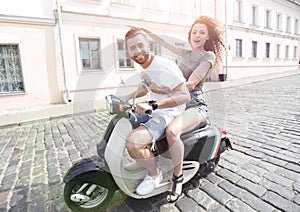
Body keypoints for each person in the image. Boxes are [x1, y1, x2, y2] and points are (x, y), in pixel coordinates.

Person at [138, 16, 225, 203]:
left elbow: (192, 84)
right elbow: (162, 42)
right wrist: (145, 32)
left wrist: (161, 89)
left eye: (202, 32)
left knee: (171, 131)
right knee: (143, 123)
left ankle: (177, 179)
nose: (197, 35)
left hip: (194, 105)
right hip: (175, 103)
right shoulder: (184, 53)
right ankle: (153, 166)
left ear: (207, 36)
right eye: (194, 31)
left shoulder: (207, 56)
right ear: (190, 35)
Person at [121, 28, 190, 196]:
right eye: (132, 48)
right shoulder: (146, 68)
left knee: (133, 143)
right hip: (156, 112)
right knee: (125, 125)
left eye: (140, 45)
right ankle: (148, 157)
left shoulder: (164, 65)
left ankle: (154, 174)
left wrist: (154, 105)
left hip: (169, 114)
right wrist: (125, 98)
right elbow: (145, 88)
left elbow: (184, 95)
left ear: (148, 45)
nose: (137, 51)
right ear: (128, 51)